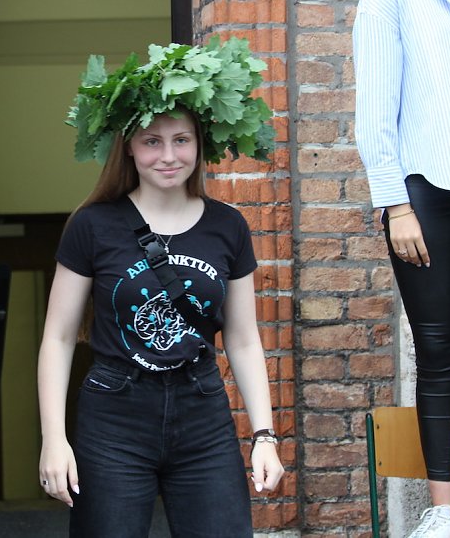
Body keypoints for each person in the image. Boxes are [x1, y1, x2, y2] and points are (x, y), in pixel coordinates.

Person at [37, 41, 285, 537]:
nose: (168, 156)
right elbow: (59, 338)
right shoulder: (93, 226)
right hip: (114, 416)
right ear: (129, 146)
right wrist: (54, 439)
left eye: (181, 140)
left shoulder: (228, 227)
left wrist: (265, 436)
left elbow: (241, 339)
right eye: (152, 141)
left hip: (202, 414)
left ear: (200, 143)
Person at [354, 0, 450, 536]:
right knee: (438, 349)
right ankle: (445, 512)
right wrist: (395, 205)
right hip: (422, 191)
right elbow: (375, 105)